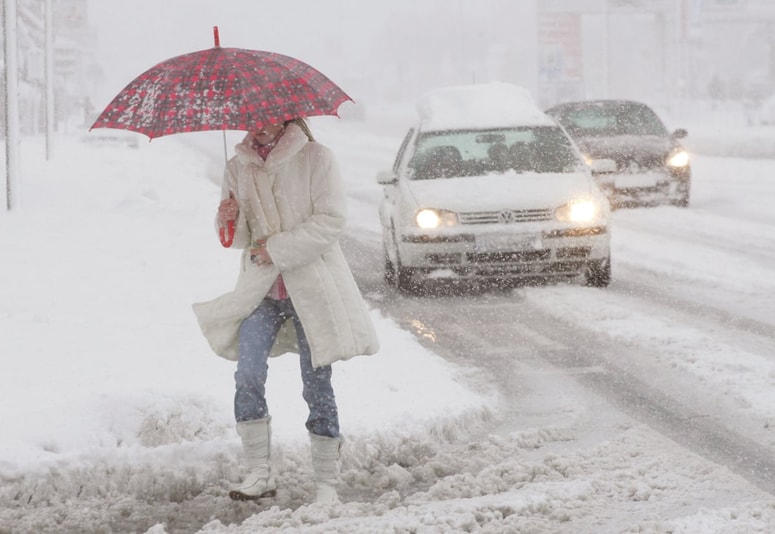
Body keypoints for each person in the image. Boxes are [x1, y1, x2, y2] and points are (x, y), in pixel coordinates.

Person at [192, 117, 379, 504]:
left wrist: (276, 249)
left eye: (266, 118)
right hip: (261, 290)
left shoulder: (316, 158)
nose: (256, 126)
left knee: (316, 382)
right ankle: (259, 473)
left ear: (286, 114)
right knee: (247, 373)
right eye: (250, 118)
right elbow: (238, 239)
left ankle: (326, 481)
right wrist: (227, 220)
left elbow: (331, 221)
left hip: (312, 287)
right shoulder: (237, 165)